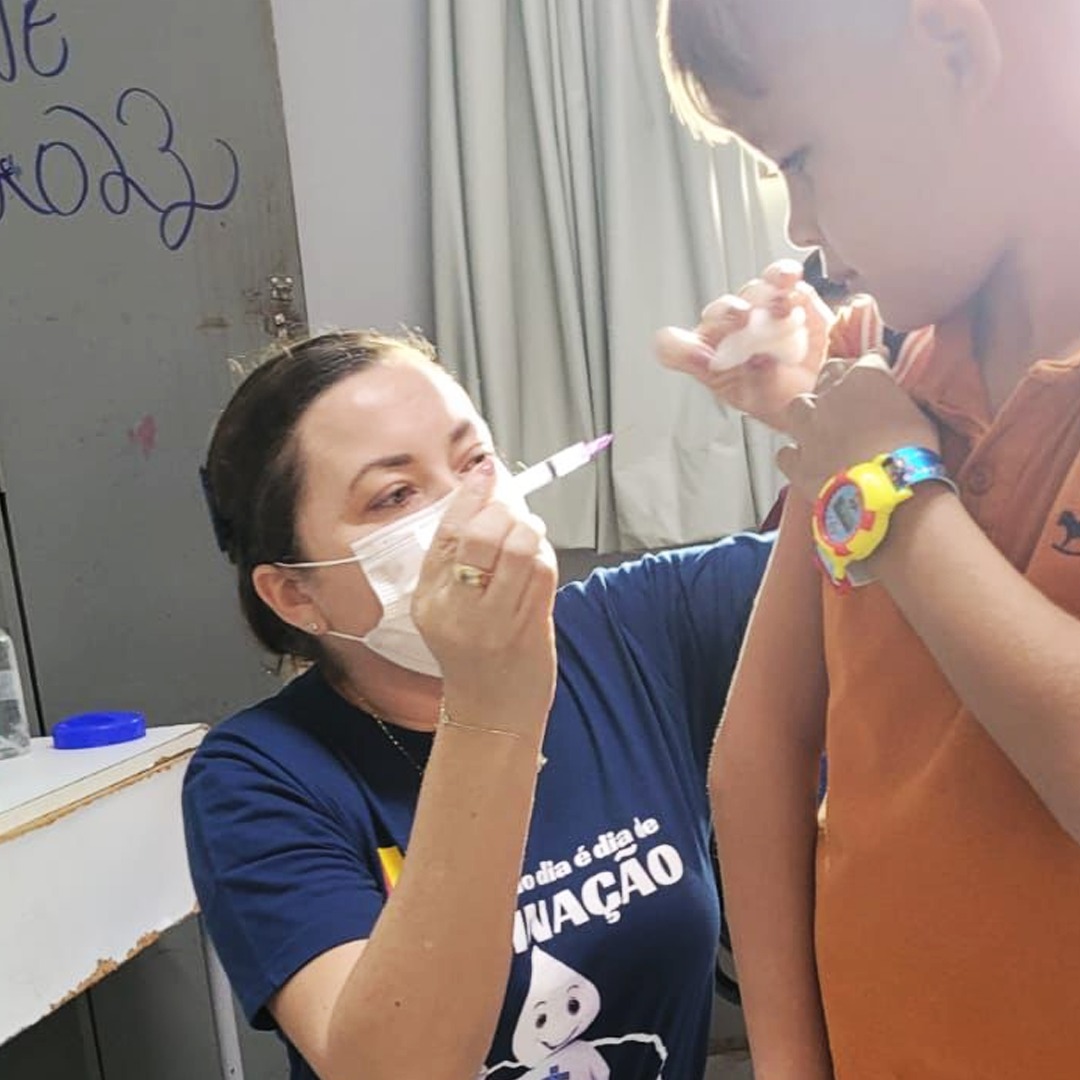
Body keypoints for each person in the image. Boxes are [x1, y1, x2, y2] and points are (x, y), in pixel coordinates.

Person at [655, 2, 1080, 1078]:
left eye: (798, 155)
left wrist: (890, 492)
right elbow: (755, 755)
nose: (799, 222)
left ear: (954, 46)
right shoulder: (873, 367)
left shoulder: (870, 433)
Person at [183, 328, 774, 1080]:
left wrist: (811, 420)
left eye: (474, 461)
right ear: (297, 594)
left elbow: (851, 562)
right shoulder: (259, 777)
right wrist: (492, 706)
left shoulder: (635, 628)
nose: (470, 508)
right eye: (394, 495)